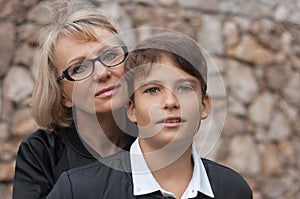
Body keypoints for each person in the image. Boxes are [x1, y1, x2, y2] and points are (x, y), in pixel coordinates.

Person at [46, 32, 253, 199]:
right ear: (132, 109)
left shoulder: (233, 190)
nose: (171, 102)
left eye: (184, 88)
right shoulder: (77, 191)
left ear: (204, 105)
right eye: (152, 90)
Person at [12, 1, 136, 199]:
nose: (102, 73)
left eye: (111, 55)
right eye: (79, 68)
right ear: (62, 95)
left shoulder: (154, 136)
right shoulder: (42, 152)